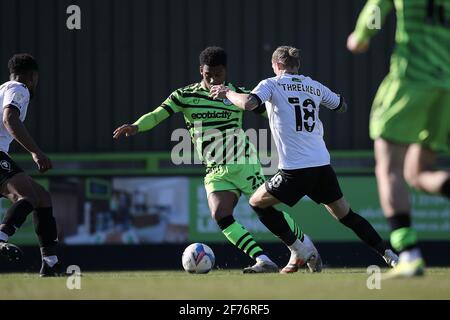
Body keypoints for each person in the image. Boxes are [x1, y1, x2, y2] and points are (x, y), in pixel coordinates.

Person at [113, 46, 322, 273]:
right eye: (208, 74)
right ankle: (263, 260)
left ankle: (305, 246)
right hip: (214, 168)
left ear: (226, 71)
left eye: (218, 74)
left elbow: (276, 111)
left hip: (243, 163)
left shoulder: (236, 94)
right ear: (200, 70)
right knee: (220, 214)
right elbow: (157, 114)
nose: (213, 79)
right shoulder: (185, 96)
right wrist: (136, 126)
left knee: (266, 211)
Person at [210, 46, 399, 273]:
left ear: (278, 66)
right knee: (347, 215)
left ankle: (299, 249)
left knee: (256, 203)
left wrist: (227, 93)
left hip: (295, 170)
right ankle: (390, 256)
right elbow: (341, 105)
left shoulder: (271, 83)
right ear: (296, 66)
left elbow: (250, 104)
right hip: (321, 166)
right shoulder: (313, 85)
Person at [347, 0, 450, 278]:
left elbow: (376, 12)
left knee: (388, 166)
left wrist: (361, 36)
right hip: (447, 89)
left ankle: (408, 253)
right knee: (418, 173)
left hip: (410, 82)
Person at [0, 53, 64, 277]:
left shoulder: (3, 88)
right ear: (33, 76)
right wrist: (36, 152)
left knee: (42, 197)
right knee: (26, 197)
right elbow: (10, 118)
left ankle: (51, 264)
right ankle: (1, 237)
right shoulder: (20, 89)